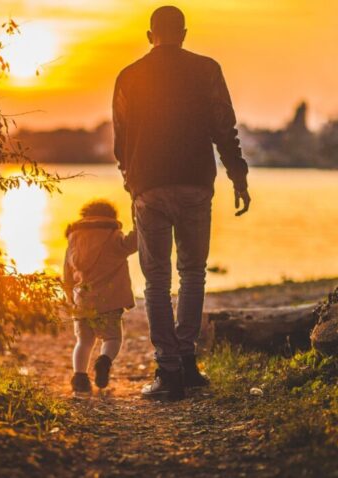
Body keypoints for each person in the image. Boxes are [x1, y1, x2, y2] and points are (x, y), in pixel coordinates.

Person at [113, 5, 252, 400]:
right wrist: (237, 176)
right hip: (194, 183)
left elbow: (121, 139)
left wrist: (131, 182)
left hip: (149, 188)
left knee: (156, 280)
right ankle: (187, 362)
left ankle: (168, 369)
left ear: (149, 35)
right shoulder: (207, 69)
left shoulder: (128, 76)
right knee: (193, 272)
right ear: (184, 33)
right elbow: (224, 127)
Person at [63, 199, 138, 396]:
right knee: (112, 337)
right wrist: (139, 221)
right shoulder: (113, 236)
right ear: (111, 218)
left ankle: (79, 377)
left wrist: (70, 299)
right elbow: (134, 243)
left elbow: (67, 275)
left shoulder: (74, 239)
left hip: (82, 302)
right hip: (109, 302)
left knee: (84, 342)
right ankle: (104, 361)